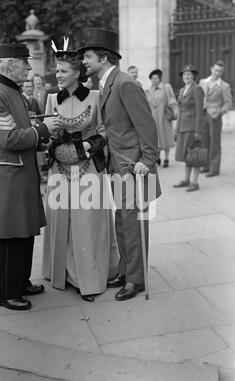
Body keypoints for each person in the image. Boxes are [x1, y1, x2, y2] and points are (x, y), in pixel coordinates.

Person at [79, 28, 161, 301]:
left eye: (88, 56)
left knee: (133, 222)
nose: (84, 61)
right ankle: (126, 271)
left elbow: (147, 127)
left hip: (134, 167)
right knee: (122, 220)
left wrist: (146, 162)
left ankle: (136, 280)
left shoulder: (125, 83)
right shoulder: (104, 85)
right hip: (117, 165)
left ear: (104, 57)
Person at [0, 43, 56, 311]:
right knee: (12, 235)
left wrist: (38, 141)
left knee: (24, 231)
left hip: (19, 173)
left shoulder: (11, 91)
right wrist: (43, 130)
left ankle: (20, 282)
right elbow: (9, 138)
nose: (29, 67)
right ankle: (5, 293)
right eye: (25, 62)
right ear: (10, 64)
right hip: (7, 176)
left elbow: (20, 132)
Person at [42, 49, 119, 303]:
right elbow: (48, 135)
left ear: (77, 73)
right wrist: (56, 147)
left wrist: (86, 147)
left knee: (87, 224)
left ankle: (90, 279)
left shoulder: (96, 97)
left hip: (88, 169)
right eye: (57, 70)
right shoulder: (52, 98)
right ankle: (64, 273)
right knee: (62, 221)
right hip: (60, 170)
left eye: (63, 71)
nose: (58, 75)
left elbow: (105, 130)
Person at [173, 65, 204, 192]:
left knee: (194, 155)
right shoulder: (182, 90)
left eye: (189, 74)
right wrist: (176, 129)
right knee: (187, 155)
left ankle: (195, 182)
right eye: (184, 75)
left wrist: (198, 130)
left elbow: (199, 111)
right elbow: (180, 111)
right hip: (182, 127)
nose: (186, 77)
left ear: (193, 76)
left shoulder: (197, 89)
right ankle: (186, 179)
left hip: (192, 128)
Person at [199, 61, 232, 177]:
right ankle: (205, 165)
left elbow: (228, 103)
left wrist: (219, 112)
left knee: (215, 143)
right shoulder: (203, 82)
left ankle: (214, 168)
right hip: (203, 114)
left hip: (215, 116)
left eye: (220, 71)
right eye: (216, 70)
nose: (218, 73)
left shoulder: (224, 86)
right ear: (211, 69)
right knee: (204, 141)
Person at [145, 69, 178, 168]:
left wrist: (175, 111)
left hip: (164, 117)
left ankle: (167, 158)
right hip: (153, 119)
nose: (154, 80)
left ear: (160, 79)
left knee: (166, 137)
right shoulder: (147, 91)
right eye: (152, 78)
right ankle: (157, 157)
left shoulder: (166, 88)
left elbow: (172, 100)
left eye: (156, 78)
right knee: (156, 139)